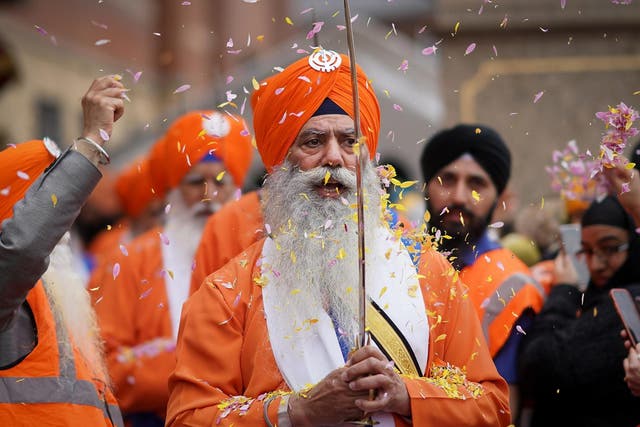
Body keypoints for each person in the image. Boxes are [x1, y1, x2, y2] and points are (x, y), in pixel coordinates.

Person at [166, 49, 510, 427]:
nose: (334, 158)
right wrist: (297, 412)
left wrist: (407, 395)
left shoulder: (428, 271)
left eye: (350, 142)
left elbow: (492, 405)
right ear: (280, 161)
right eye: (313, 142)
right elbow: (187, 418)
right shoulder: (229, 292)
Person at [90, 110, 253, 426]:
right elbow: (101, 367)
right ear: (175, 190)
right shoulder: (131, 259)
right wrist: (196, 368)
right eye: (195, 183)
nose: (208, 196)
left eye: (220, 181)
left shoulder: (258, 255)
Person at [0, 76, 126, 426]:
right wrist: (89, 145)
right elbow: (23, 247)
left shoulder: (60, 295)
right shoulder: (9, 292)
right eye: (45, 196)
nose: (65, 218)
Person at [419, 124, 545, 420]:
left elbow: (502, 410)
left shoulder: (512, 282)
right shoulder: (392, 260)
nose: (460, 197)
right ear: (426, 187)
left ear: (499, 199)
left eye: (476, 184)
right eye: (447, 179)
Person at [518, 159, 640, 426]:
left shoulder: (628, 302)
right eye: (586, 250)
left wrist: (564, 292)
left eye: (610, 248)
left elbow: (539, 365)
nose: (596, 264)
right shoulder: (588, 294)